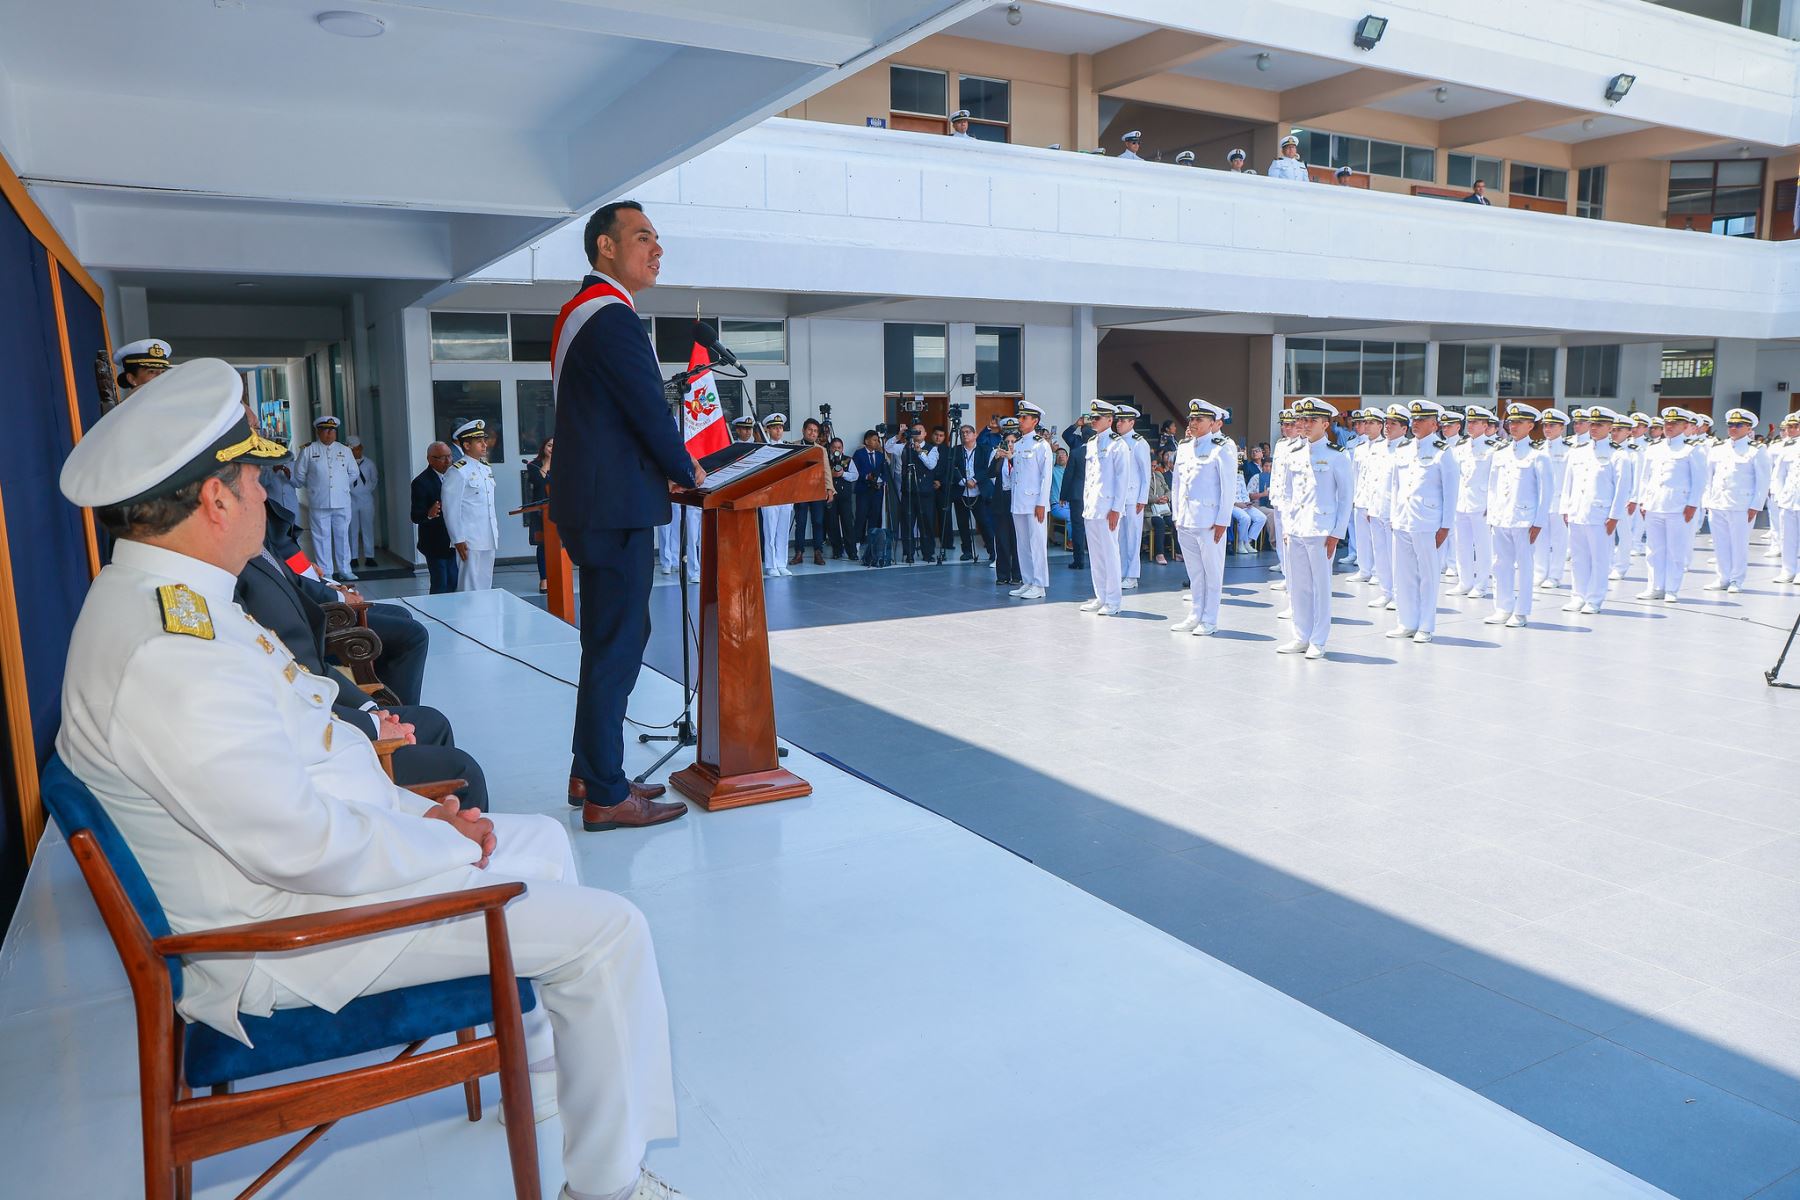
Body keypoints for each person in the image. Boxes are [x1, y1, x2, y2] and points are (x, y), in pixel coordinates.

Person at [57, 358, 686, 1200]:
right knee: (612, 930)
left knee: (540, 844)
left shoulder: (176, 600)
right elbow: (294, 844)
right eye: (254, 478)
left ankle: (531, 1095)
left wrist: (419, 821)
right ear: (213, 501)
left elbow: (300, 738)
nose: (266, 498)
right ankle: (606, 1186)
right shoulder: (169, 650)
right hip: (289, 934)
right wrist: (435, 844)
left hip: (307, 882)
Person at [550, 200, 700, 832]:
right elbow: (647, 410)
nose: (656, 249)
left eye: (658, 240)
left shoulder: (587, 314)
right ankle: (607, 794)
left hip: (597, 501)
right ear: (605, 248)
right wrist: (692, 469)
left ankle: (595, 768)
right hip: (613, 507)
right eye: (643, 238)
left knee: (608, 640)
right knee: (618, 642)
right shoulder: (611, 318)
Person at [1270, 397, 1353, 658]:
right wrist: (1286, 525)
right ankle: (1301, 635)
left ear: (1325, 424)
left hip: (1321, 530)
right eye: (1302, 420)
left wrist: (1337, 533)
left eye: (1311, 420)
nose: (1304, 425)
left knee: (1320, 586)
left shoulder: (1337, 456)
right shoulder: (1294, 453)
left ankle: (1318, 639)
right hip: (1296, 528)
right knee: (1298, 585)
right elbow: (1287, 493)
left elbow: (1345, 497)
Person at [1384, 401, 1457, 643]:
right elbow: (1395, 486)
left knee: (1428, 575)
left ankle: (1426, 624)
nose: (1415, 423)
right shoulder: (1403, 449)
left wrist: (1445, 526)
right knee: (1403, 574)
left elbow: (1451, 492)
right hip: (1403, 520)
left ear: (1434, 424)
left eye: (1421, 419)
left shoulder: (1442, 452)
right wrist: (1394, 516)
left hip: (1428, 523)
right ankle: (1406, 621)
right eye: (1414, 419)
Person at [1484, 403, 1554, 628]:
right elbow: (1493, 487)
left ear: (1530, 425)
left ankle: (1521, 611)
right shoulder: (1501, 453)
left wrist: (1539, 522)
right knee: (1500, 563)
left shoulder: (1538, 456)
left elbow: (1546, 492)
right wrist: (1492, 515)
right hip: (1501, 517)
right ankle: (1503, 607)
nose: (1512, 426)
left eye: (1518, 422)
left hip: (1524, 519)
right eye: (1510, 422)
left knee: (1524, 565)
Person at [1170, 399, 1235, 635]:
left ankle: (1210, 619)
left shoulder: (1223, 447)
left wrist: (1222, 521)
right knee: (1195, 572)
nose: (1193, 423)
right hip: (1186, 519)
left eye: (1199, 419)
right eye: (1192, 419)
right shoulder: (1185, 446)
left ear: (1212, 423)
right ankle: (1195, 613)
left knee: (1212, 572)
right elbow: (1177, 484)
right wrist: (1177, 515)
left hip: (1209, 521)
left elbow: (1228, 488)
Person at [1560, 407, 1632, 615]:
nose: (1594, 428)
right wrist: (1566, 508)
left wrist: (1614, 517)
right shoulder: (1578, 451)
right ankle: (1578, 596)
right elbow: (1569, 483)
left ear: (1610, 428)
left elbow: (1621, 489)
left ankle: (1594, 599)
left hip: (1600, 516)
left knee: (1600, 559)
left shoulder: (1618, 455)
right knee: (1578, 557)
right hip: (1577, 512)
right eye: (1592, 424)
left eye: (1599, 424)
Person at [1635, 406, 1706, 603]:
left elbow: (1699, 480)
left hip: (1678, 506)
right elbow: (1645, 478)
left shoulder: (1691, 449)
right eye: (1667, 423)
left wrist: (1692, 504)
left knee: (1676, 550)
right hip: (1654, 504)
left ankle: (1672, 589)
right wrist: (1643, 501)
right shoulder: (1654, 448)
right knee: (1654, 549)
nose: (1669, 426)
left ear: (1685, 426)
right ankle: (1655, 586)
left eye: (1674, 423)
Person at [1701, 407, 1772, 593]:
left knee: (1739, 544)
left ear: (1749, 428)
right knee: (1720, 542)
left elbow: (1763, 481)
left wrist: (1756, 506)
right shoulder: (1718, 448)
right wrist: (1707, 500)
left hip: (1741, 505)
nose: (1733, 428)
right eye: (1730, 425)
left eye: (1738, 425)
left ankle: (1736, 580)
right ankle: (1722, 577)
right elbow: (1708, 477)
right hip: (1717, 503)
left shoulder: (1757, 450)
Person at [1077, 400, 1127, 616]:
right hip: (1092, 507)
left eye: (1097, 418)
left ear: (1110, 419)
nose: (1093, 421)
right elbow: (1090, 478)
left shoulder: (1118, 445)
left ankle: (1113, 601)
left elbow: (1121, 479)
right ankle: (1101, 597)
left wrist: (1117, 508)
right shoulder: (1091, 443)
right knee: (1096, 555)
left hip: (1108, 508)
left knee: (1110, 554)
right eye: (1092, 417)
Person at [294, 414, 358, 580]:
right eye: (325, 430)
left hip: (342, 501)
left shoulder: (345, 450)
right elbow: (299, 474)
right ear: (318, 432)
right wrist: (315, 487)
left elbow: (353, 473)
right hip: (319, 501)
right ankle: (326, 571)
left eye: (332, 430)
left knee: (342, 536)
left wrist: (340, 487)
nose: (329, 433)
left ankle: (345, 569)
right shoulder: (308, 450)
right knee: (321, 537)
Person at [441, 419, 500, 593]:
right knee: (469, 586)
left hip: (488, 535)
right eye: (479, 441)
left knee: (485, 584)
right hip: (470, 539)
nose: (484, 444)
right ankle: (469, 619)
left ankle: (483, 617)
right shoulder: (458, 471)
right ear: (466, 445)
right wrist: (457, 539)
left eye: (484, 440)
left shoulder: (485, 468)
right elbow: (450, 509)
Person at [1007, 401, 1055, 599]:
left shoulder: (1041, 445)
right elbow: (1016, 476)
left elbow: (1046, 477)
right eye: (1020, 417)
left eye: (1024, 417)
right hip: (1019, 501)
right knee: (1023, 544)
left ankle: (1040, 584)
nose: (1020, 420)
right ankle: (1027, 580)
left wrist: (1042, 503)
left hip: (1035, 503)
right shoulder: (1018, 444)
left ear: (1035, 421)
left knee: (1037, 543)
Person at [1450, 405, 1497, 599]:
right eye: (1469, 421)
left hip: (1481, 504)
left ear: (1485, 425)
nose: (1471, 425)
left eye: (1476, 422)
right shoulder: (1460, 447)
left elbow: (1496, 480)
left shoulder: (1492, 449)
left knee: (1483, 545)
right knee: (1462, 544)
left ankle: (1481, 584)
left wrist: (1492, 505)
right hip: (1461, 503)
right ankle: (1465, 581)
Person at [410, 441, 459, 594]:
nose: (448, 461)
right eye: (442, 457)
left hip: (454, 540)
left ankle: (453, 614)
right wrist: (428, 514)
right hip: (435, 543)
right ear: (430, 459)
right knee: (441, 583)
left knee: (454, 581)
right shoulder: (421, 482)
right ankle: (438, 614)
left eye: (450, 456)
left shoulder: (456, 476)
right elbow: (415, 516)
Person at [1113, 405, 1152, 590]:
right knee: (1119, 537)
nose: (1118, 423)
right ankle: (1120, 572)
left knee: (1133, 537)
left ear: (1132, 422)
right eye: (1117, 420)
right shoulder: (1116, 442)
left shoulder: (1139, 443)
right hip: (1118, 498)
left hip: (1133, 496)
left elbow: (1146, 474)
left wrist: (1142, 498)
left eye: (1122, 420)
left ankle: (1132, 575)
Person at [1533, 409, 1571, 591]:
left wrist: (1567, 505)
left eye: (1552, 426)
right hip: (1540, 503)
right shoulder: (1537, 449)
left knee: (1558, 541)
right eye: (1545, 425)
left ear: (1562, 428)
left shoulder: (1569, 451)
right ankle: (1540, 572)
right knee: (1540, 540)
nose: (1547, 429)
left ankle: (1555, 575)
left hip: (1559, 503)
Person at [987, 419, 1022, 587]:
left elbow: (1023, 475)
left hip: (1017, 500)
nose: (1009, 444)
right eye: (1007, 441)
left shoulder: (1021, 456)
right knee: (1002, 539)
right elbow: (990, 473)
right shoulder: (999, 455)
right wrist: (997, 458)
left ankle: (1017, 574)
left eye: (1013, 442)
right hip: (1001, 500)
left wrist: (1012, 458)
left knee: (1016, 540)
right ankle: (1002, 575)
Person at [952, 422, 994, 563]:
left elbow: (987, 469)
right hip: (961, 492)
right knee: (963, 524)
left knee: (984, 523)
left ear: (975, 434)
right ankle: (967, 551)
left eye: (968, 432)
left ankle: (992, 551)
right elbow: (952, 468)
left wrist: (975, 479)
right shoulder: (955, 450)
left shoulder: (985, 449)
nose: (965, 434)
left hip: (979, 492)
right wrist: (964, 481)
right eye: (962, 432)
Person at [758, 413, 794, 578]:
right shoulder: (763, 449)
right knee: (770, 530)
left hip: (785, 493)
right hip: (769, 494)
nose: (778, 431)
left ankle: (781, 562)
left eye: (780, 428)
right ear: (768, 430)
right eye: (774, 428)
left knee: (783, 530)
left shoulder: (789, 448)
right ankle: (771, 564)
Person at [791, 417, 830, 567]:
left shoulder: (821, 450)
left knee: (818, 522)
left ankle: (818, 552)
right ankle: (799, 552)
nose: (812, 433)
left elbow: (826, 471)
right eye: (810, 430)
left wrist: (830, 490)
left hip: (817, 490)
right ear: (803, 431)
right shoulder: (795, 446)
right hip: (800, 491)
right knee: (800, 522)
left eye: (815, 431)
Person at [1061, 413, 1093, 569]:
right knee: (1094, 527)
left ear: (1082, 434)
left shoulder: (1075, 451)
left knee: (1078, 527)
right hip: (1094, 494)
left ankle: (1079, 560)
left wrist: (1063, 496)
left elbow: (1068, 476)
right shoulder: (1101, 451)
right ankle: (1096, 560)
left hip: (1077, 494)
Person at [1771, 413, 1800, 584]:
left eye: (1795, 426)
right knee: (1787, 537)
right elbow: (1779, 474)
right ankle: (1787, 570)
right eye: (1789, 426)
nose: (1791, 429)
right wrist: (1779, 495)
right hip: (1789, 499)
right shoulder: (1785, 447)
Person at [851, 428, 889, 550]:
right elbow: (855, 470)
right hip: (863, 490)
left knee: (875, 517)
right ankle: (856, 541)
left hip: (877, 491)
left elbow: (885, 472)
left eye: (878, 440)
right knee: (861, 516)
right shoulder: (859, 453)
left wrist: (881, 480)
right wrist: (866, 476)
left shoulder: (880, 455)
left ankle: (872, 543)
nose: (876, 442)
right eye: (874, 440)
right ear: (867, 441)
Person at [525, 438, 554, 591]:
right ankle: (544, 579)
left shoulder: (564, 465)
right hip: (540, 513)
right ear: (543, 447)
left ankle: (557, 577)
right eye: (550, 445)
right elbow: (540, 483)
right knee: (543, 545)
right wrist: (548, 462)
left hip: (558, 512)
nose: (552, 449)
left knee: (560, 546)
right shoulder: (533, 465)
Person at [348, 435, 379, 570]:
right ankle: (353, 557)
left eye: (358, 449)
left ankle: (369, 556)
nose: (357, 451)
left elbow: (374, 480)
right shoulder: (346, 464)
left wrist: (365, 491)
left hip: (366, 499)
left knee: (368, 528)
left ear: (361, 448)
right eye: (353, 449)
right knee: (352, 529)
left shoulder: (369, 463)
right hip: (350, 500)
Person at [827, 436, 860, 559]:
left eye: (839, 447)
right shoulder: (826, 460)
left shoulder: (848, 460)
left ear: (842, 449)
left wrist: (842, 474)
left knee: (848, 524)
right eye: (834, 447)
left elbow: (855, 475)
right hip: (831, 496)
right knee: (832, 524)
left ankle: (852, 552)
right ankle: (837, 550)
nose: (837, 449)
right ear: (830, 448)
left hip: (845, 497)